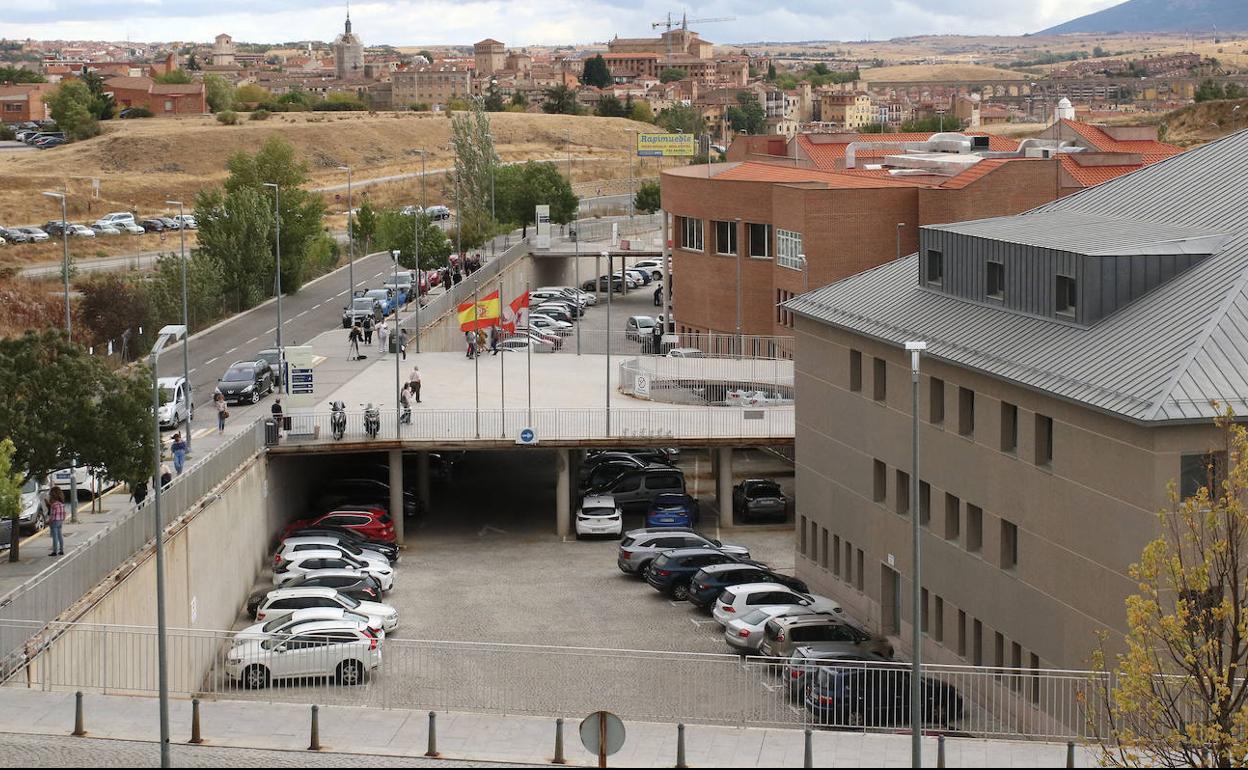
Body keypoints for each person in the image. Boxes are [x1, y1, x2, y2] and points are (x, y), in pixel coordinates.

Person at [47, 486, 66, 556]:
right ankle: (61, 550)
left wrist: (49, 521)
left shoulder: (54, 505)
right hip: (60, 521)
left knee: (55, 536)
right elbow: (64, 513)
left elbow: (52, 515)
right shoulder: (61, 504)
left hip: (54, 521)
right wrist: (62, 519)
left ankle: (54, 551)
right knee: (60, 535)